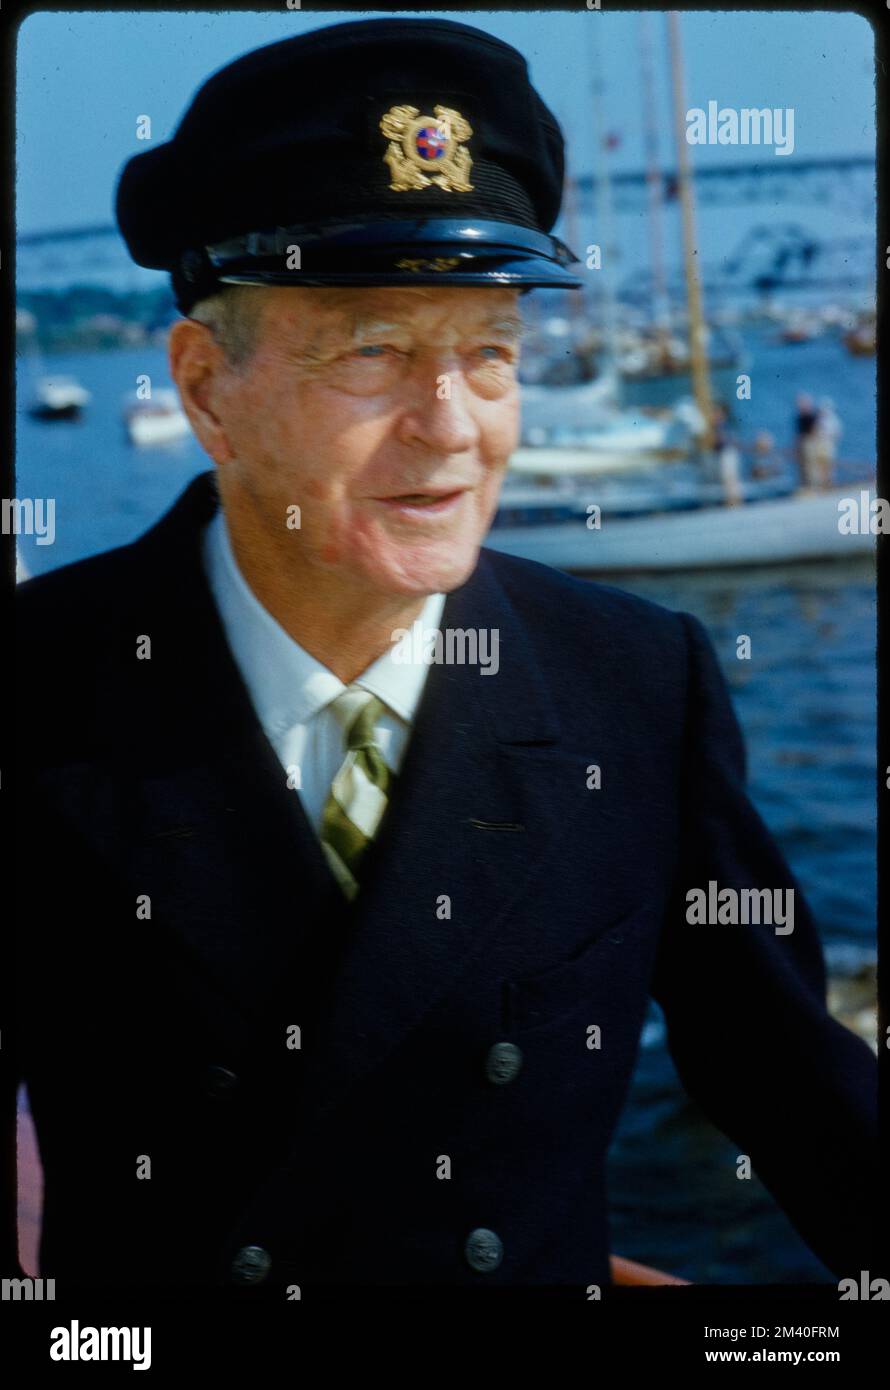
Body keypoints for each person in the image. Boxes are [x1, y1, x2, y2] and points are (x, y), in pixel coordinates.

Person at [6, 18, 879, 1296]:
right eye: (374, 351)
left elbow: (792, 1081)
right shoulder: (37, 690)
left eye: (489, 353)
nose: (451, 427)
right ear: (205, 388)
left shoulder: (635, 687)